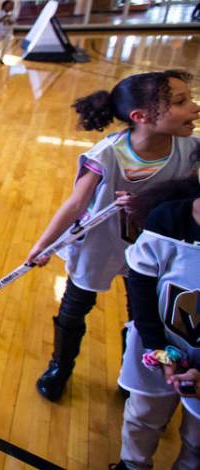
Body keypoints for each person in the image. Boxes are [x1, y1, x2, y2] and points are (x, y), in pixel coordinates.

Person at [27, 70, 199, 401]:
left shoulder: (190, 150)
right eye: (181, 102)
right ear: (141, 117)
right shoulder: (107, 154)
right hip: (99, 243)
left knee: (142, 313)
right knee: (75, 307)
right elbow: (75, 204)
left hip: (150, 248)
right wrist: (43, 244)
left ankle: (132, 372)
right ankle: (60, 366)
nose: (194, 107)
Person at [112, 163, 200, 470]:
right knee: (142, 416)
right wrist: (157, 347)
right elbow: (141, 286)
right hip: (159, 345)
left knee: (197, 439)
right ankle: (132, 465)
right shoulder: (168, 220)